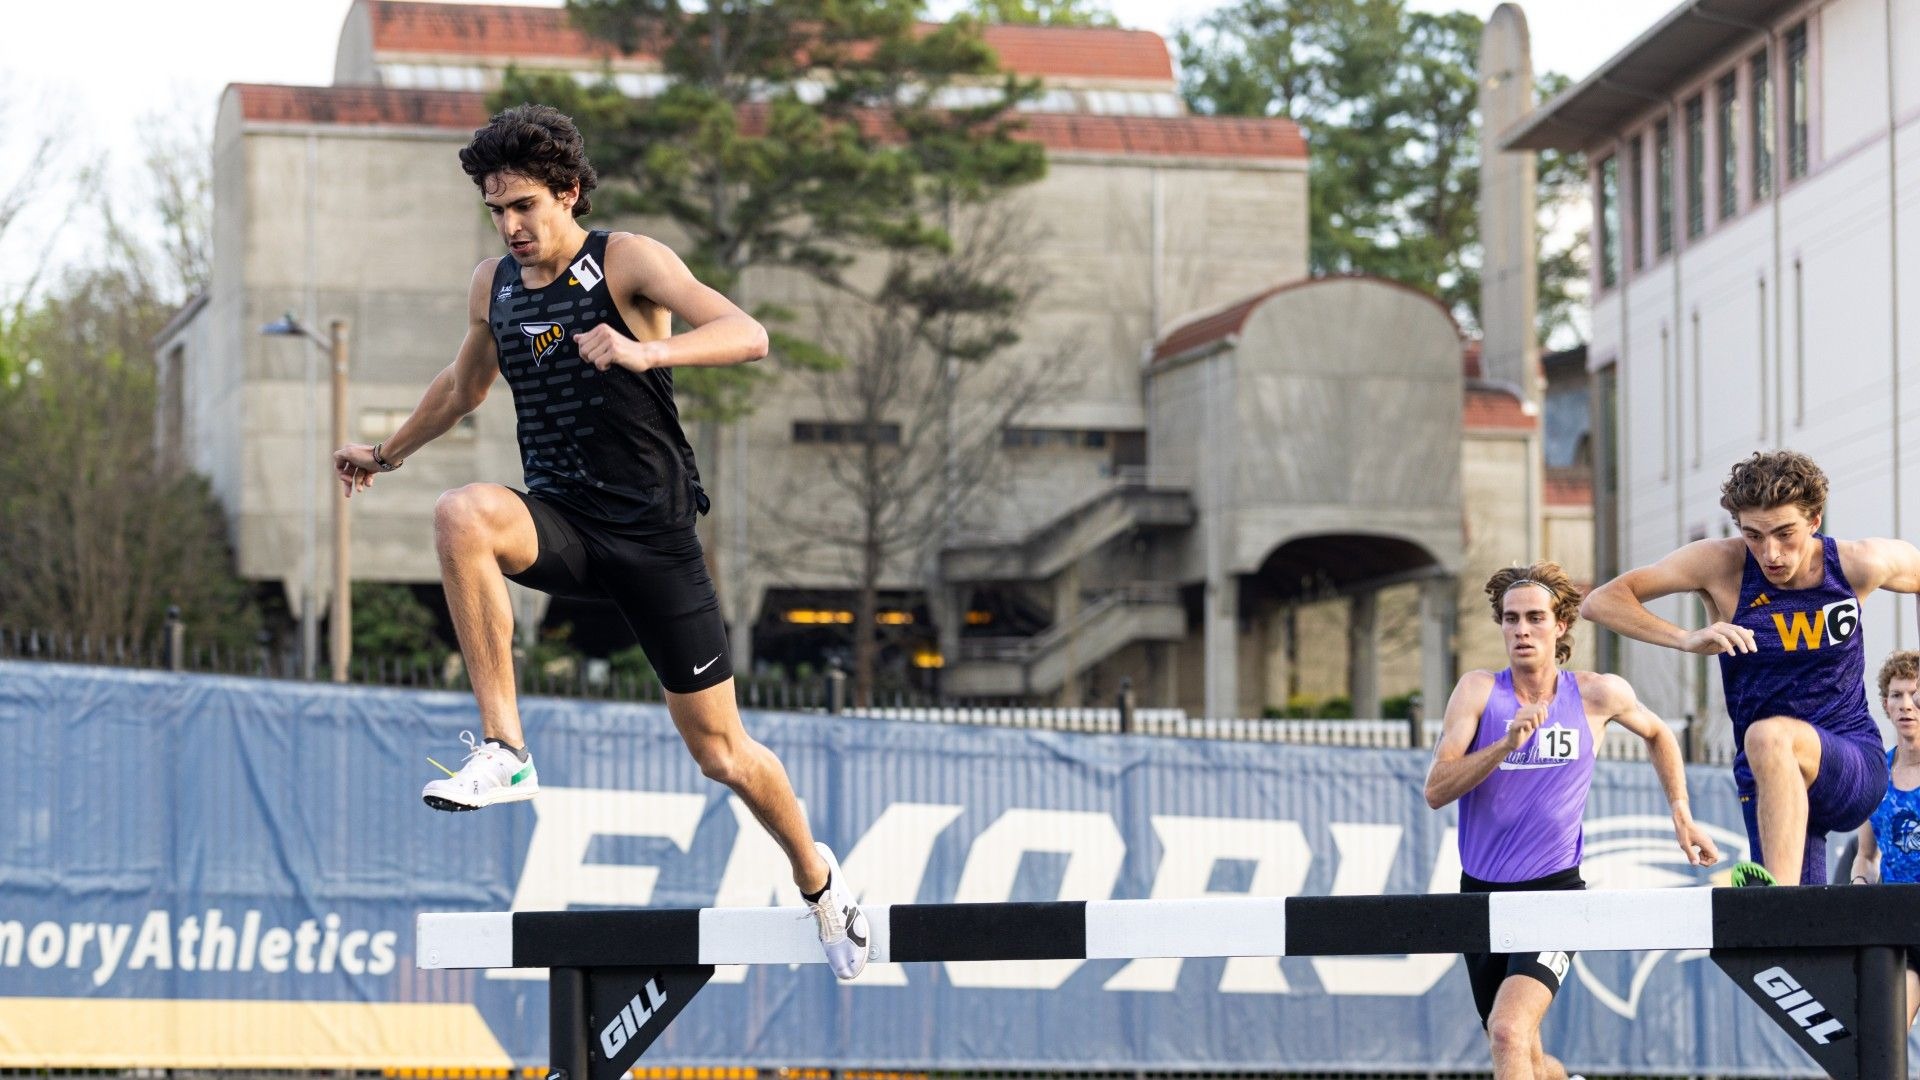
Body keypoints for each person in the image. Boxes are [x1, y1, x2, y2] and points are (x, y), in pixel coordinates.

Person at [331, 104, 870, 979]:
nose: (510, 228)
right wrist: (385, 454)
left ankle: (821, 886)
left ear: (569, 194)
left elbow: (749, 334)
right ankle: (505, 752)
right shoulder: (492, 287)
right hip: (567, 528)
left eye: (525, 209)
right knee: (461, 512)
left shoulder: (626, 261)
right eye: (496, 211)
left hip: (655, 544)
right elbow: (465, 387)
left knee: (721, 754)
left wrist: (646, 354)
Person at [1426, 563, 1719, 1080]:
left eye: (1535, 618)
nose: (1521, 630)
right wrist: (1503, 746)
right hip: (1480, 896)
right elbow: (1436, 789)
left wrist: (1681, 812)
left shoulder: (1595, 694)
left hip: (1555, 892)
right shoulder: (1477, 692)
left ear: (1560, 625)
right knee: (1525, 1051)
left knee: (1508, 1032)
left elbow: (1658, 734)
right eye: (1511, 619)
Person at [1581, 451, 1917, 886]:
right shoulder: (1721, 564)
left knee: (1770, 733)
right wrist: (1684, 638)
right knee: (1802, 943)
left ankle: (1773, 905)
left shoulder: (1855, 564)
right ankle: (1790, 926)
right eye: (1753, 535)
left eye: (1784, 533)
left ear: (1815, 520)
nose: (1770, 553)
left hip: (1850, 761)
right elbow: (1601, 601)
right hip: (1766, 778)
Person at [1848, 650, 1920, 1029]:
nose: (1906, 705)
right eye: (1897, 695)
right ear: (1886, 704)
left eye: (1915, 695)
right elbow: (1865, 855)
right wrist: (1860, 882)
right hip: (1899, 930)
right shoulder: (1877, 774)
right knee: (1880, 1036)